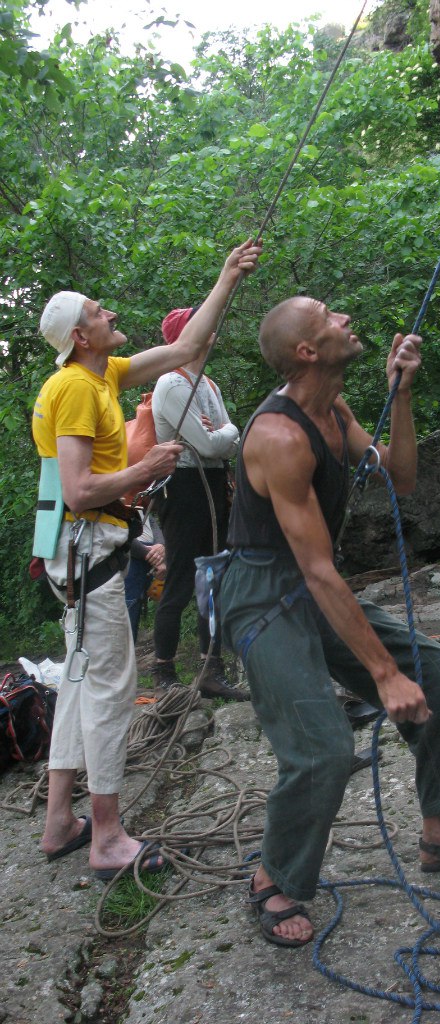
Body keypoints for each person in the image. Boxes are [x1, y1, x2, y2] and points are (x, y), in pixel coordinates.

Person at [219, 297, 440, 948]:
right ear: (307, 351)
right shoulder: (279, 436)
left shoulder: (335, 411)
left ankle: (439, 839)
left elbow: (402, 478)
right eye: (328, 318)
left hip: (308, 580)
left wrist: (402, 393)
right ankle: (272, 878)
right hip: (262, 590)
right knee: (325, 747)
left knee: (438, 672)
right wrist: (381, 675)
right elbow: (320, 571)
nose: (346, 320)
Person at [32, 238, 262, 878]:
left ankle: (60, 823)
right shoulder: (76, 388)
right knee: (109, 689)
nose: (111, 317)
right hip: (93, 552)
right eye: (100, 313)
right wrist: (147, 466)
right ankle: (107, 838)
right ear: (81, 335)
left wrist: (227, 276)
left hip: (79, 555)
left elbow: (187, 349)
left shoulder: (100, 376)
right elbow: (78, 490)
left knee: (80, 684)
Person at [150, 306, 246, 701]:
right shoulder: (172, 385)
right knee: (180, 581)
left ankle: (211, 669)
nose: (211, 328)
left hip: (209, 481)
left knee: (212, 578)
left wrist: (225, 432)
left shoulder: (208, 384)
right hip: (184, 486)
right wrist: (224, 434)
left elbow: (229, 436)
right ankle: (163, 673)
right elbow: (210, 443)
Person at [124, 511, 165, 643]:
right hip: (131, 559)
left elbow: (151, 522)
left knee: (160, 600)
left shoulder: (140, 498)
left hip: (153, 556)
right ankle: (125, 659)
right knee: (129, 611)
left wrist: (160, 546)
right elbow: (121, 533)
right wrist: (151, 555)